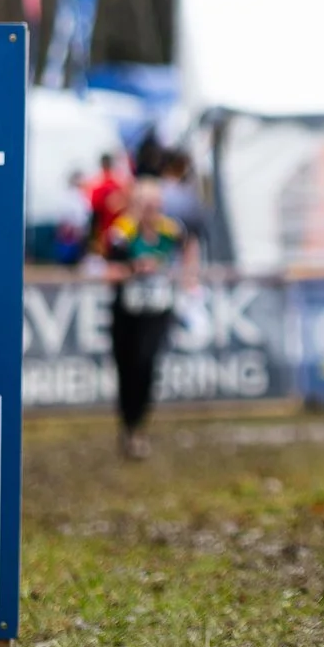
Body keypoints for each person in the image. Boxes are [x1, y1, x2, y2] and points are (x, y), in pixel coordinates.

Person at [101, 176, 198, 459]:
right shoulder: (122, 232)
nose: (150, 210)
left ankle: (138, 427)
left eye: (155, 204)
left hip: (157, 311)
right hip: (127, 312)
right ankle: (128, 425)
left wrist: (185, 277)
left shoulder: (171, 230)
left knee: (147, 364)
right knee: (126, 368)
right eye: (145, 204)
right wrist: (135, 269)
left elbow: (189, 246)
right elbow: (108, 270)